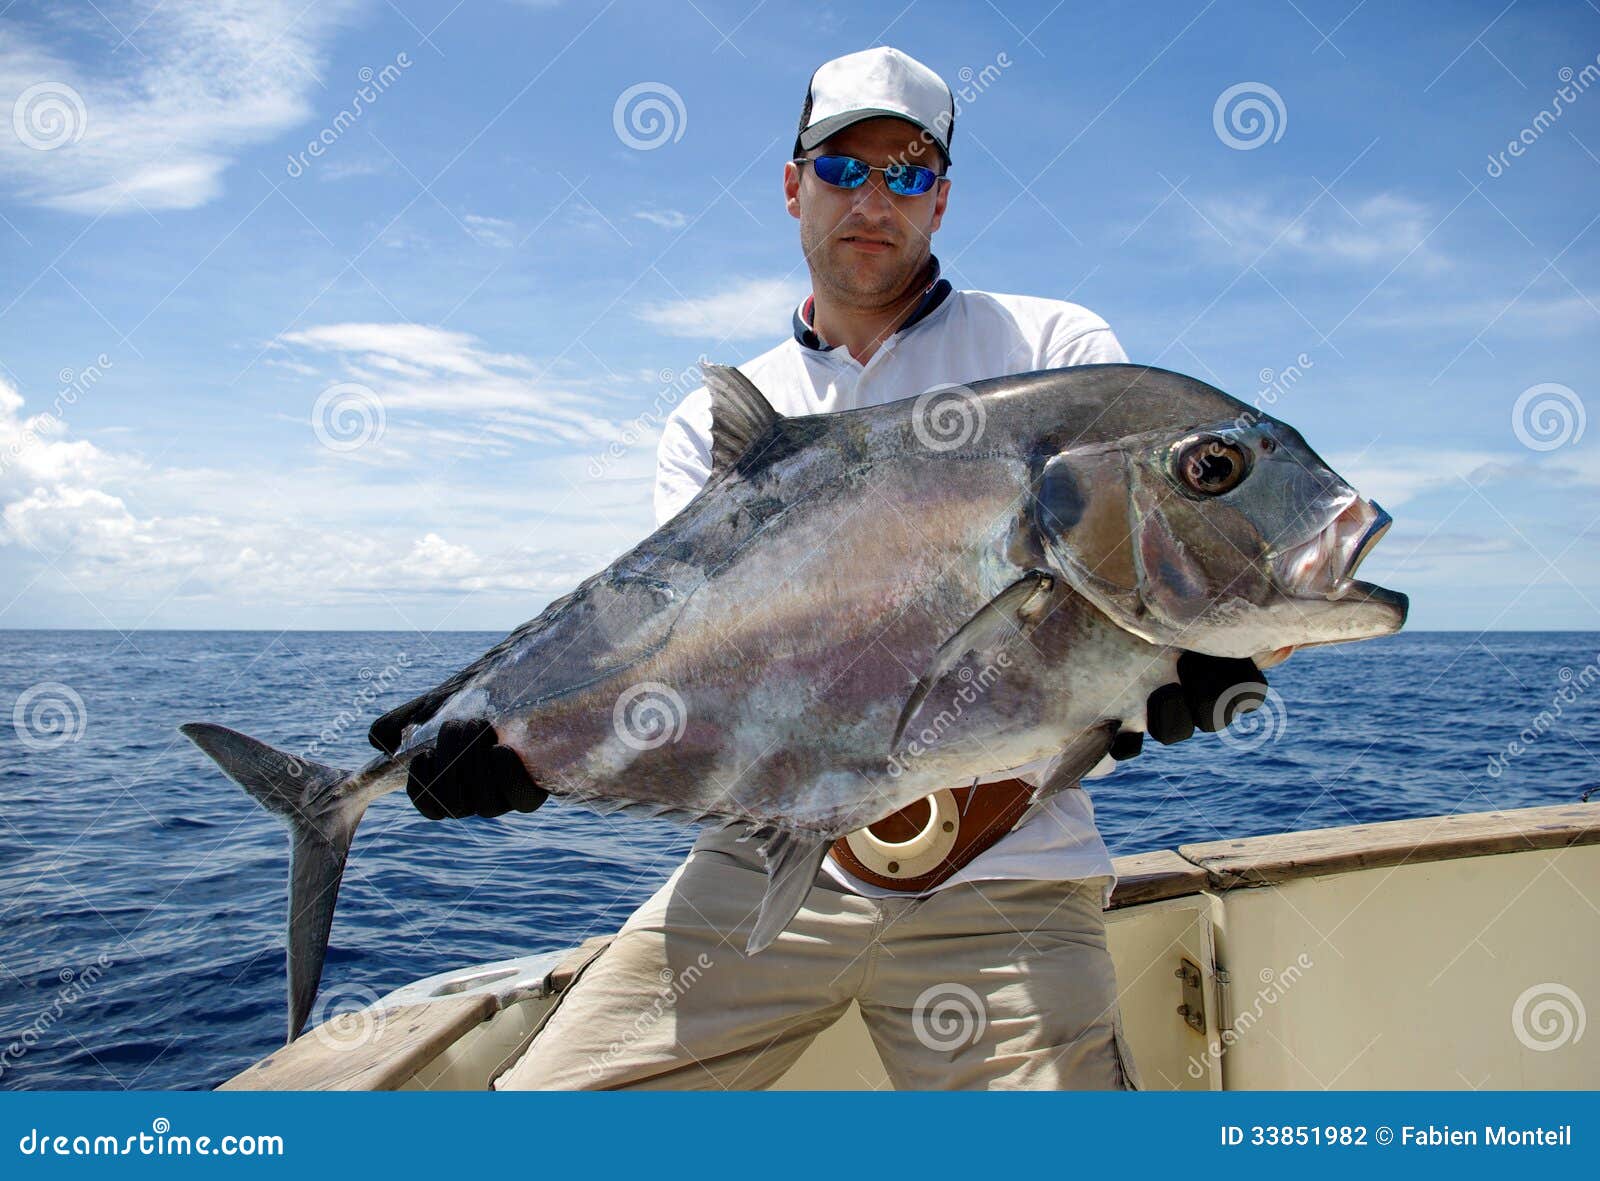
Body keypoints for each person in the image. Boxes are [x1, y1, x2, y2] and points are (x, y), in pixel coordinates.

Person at [400, 47, 1270, 1090]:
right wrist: (527, 739)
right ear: (790, 184)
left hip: (1010, 874)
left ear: (940, 200)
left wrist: (1181, 659)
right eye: (842, 168)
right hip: (760, 867)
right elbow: (677, 652)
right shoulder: (718, 422)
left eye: (906, 174)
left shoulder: (1054, 351)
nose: (873, 198)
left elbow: (1138, 563)